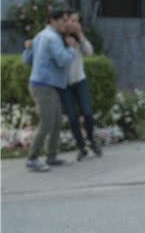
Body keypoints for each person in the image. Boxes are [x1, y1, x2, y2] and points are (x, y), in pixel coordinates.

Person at [21, 9, 76, 171]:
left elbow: (26, 60)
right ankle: (32, 159)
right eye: (63, 20)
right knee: (47, 123)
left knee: (57, 121)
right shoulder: (52, 38)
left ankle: (51, 156)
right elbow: (62, 60)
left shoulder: (40, 35)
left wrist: (28, 48)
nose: (66, 23)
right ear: (53, 20)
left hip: (45, 84)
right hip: (43, 85)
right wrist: (71, 48)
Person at [58, 9, 102, 160]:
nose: (74, 23)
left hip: (80, 80)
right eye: (71, 20)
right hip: (65, 85)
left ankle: (92, 141)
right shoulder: (58, 38)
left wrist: (80, 34)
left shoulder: (78, 38)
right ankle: (81, 147)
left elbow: (89, 52)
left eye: (76, 21)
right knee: (72, 117)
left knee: (87, 113)